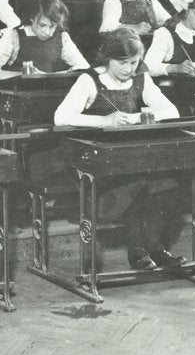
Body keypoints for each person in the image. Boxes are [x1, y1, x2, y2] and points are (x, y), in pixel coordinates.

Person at [54, 27, 185, 270]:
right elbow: (61, 117)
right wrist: (104, 121)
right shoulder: (89, 80)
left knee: (166, 182)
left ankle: (154, 247)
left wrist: (134, 118)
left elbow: (171, 111)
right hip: (92, 161)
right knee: (132, 181)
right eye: (122, 63)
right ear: (108, 58)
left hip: (132, 156)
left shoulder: (141, 78)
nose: (129, 69)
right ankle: (137, 251)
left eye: (135, 62)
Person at [0, 0, 89, 82]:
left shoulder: (62, 37)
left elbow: (84, 68)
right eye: (42, 25)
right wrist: (22, 75)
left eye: (52, 27)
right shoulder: (13, 36)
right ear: (32, 19)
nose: (48, 33)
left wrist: (46, 76)